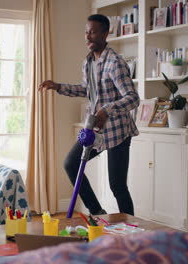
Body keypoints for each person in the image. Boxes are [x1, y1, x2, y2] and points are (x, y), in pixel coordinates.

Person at [38, 14, 140, 215]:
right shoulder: (88, 62)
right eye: (86, 32)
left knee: (117, 185)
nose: (88, 37)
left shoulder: (115, 63)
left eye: (93, 32)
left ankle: (133, 228)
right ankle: (97, 212)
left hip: (118, 131)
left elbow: (133, 98)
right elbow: (87, 90)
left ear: (105, 33)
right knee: (71, 163)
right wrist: (58, 86)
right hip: (96, 128)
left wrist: (106, 110)